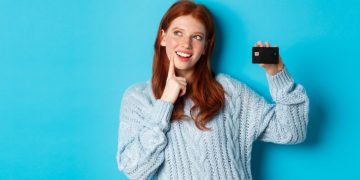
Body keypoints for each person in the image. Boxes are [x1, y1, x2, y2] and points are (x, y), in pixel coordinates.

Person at [116, 0, 309, 179]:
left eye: (197, 37)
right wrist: (165, 102)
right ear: (163, 37)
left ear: (206, 46)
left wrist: (277, 74)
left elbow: (291, 131)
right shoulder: (138, 97)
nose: (186, 44)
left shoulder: (229, 90)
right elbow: (134, 170)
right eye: (178, 33)